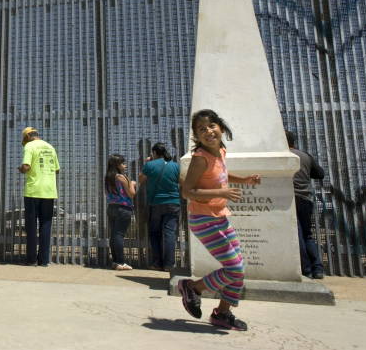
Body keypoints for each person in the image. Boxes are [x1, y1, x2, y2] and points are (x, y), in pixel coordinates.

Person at [178, 109, 260, 331]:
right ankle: (192, 288)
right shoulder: (200, 159)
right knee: (233, 269)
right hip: (203, 219)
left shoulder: (221, 151)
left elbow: (222, 174)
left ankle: (222, 314)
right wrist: (221, 193)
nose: (208, 131)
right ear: (196, 136)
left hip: (219, 216)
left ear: (221, 128)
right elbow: (188, 191)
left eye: (212, 126)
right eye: (201, 129)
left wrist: (244, 180)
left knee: (239, 269)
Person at [286, 130, 326, 279]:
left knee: (297, 235)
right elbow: (320, 174)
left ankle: (306, 269)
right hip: (306, 199)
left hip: (290, 200)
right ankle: (318, 269)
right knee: (307, 234)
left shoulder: (283, 156)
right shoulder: (305, 155)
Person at [19, 127, 59, 267]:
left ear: (28, 136)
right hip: (49, 191)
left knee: (31, 226)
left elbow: (26, 166)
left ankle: (31, 259)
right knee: (46, 225)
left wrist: (21, 169)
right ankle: (44, 260)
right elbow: (57, 170)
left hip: (33, 190)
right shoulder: (50, 147)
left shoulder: (30, 146)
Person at [140, 142, 181, 271]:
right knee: (169, 234)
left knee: (154, 233)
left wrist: (148, 162)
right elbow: (181, 181)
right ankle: (169, 265)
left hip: (156, 203)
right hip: (173, 202)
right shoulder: (175, 166)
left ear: (155, 153)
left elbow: (141, 180)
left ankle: (157, 263)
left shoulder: (150, 165)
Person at [104, 154, 136, 270]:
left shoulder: (108, 177)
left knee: (114, 234)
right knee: (119, 235)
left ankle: (115, 261)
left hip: (111, 207)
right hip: (123, 208)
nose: (125, 165)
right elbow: (131, 194)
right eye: (123, 163)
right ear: (117, 165)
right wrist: (132, 183)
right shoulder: (121, 177)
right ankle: (121, 262)